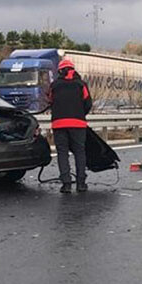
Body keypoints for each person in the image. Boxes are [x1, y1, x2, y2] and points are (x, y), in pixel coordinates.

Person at [49, 57, 93, 193]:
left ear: (60, 71)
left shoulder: (54, 85)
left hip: (59, 124)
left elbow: (50, 101)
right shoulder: (81, 84)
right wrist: (80, 114)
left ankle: (66, 184)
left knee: (62, 153)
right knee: (80, 152)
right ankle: (81, 183)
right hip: (78, 124)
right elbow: (88, 103)